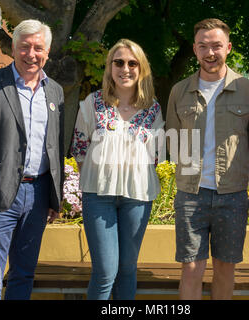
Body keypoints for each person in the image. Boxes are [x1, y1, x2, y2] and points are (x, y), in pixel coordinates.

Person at [0, 19, 65, 300]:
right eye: (25, 47)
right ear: (14, 48)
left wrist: (55, 197)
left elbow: (55, 148)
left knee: (23, 274)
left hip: (39, 193)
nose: (31, 54)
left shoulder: (54, 91)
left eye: (38, 48)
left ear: (48, 51)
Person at [166, 18, 249, 300]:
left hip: (232, 196)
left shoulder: (248, 90)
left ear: (229, 48)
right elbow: (173, 137)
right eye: (203, 46)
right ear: (195, 50)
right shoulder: (179, 91)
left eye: (217, 46)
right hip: (190, 194)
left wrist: (240, 180)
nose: (211, 53)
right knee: (191, 268)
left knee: (225, 268)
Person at [70, 39, 165, 300]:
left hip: (137, 198)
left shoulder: (153, 109)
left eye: (133, 63)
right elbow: (80, 150)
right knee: (105, 271)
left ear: (141, 68)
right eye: (119, 62)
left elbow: (155, 156)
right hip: (98, 197)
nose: (126, 68)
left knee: (127, 269)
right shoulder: (92, 103)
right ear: (110, 67)